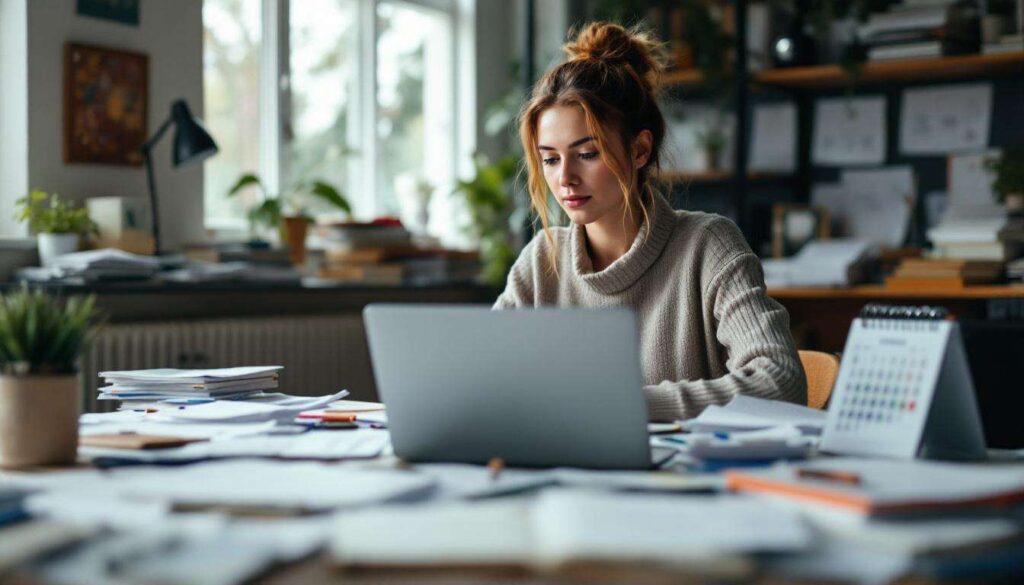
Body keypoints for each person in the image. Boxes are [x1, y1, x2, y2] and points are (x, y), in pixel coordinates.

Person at [493, 22, 807, 421]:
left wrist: (626, 405)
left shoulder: (709, 245)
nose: (565, 178)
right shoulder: (541, 261)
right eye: (551, 159)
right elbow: (488, 379)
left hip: (682, 480)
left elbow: (781, 381)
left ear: (640, 149)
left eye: (587, 153)